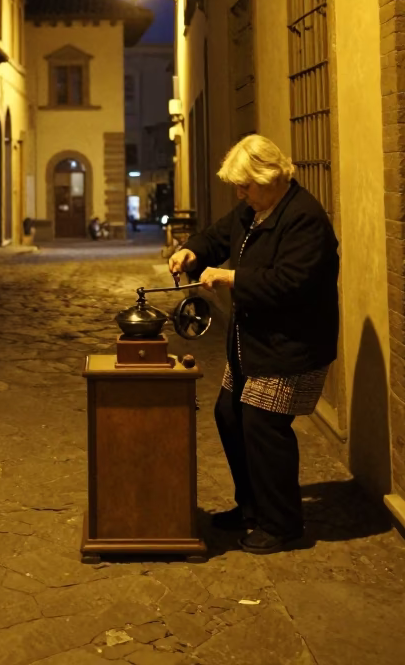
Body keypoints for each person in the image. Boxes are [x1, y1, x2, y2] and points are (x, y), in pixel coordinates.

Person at [169, 134, 339, 554]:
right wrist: (191, 251)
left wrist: (231, 278)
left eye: (246, 185)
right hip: (253, 342)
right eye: (238, 187)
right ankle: (251, 507)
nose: (241, 194)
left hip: (290, 346)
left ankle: (282, 523)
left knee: (264, 428)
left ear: (272, 177)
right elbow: (217, 237)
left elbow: (290, 283)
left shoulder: (304, 219)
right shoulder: (255, 210)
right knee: (229, 414)